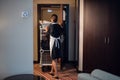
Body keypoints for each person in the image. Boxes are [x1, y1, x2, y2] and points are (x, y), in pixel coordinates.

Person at [45, 14, 63, 79]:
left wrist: (46, 30)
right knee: (54, 57)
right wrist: (61, 25)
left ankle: (56, 74)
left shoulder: (50, 26)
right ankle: (51, 71)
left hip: (53, 44)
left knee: (53, 59)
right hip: (58, 43)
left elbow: (46, 35)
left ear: (52, 19)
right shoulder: (59, 25)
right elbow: (61, 32)